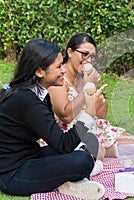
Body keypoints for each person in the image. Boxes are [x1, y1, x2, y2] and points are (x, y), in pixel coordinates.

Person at [0, 38, 105, 199]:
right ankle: (77, 180)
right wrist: (89, 112)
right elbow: (63, 145)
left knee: (87, 145)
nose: (63, 70)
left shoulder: (39, 94)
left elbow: (56, 138)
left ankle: (72, 182)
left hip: (31, 157)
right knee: (83, 160)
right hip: (12, 174)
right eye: (58, 67)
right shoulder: (26, 99)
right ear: (39, 71)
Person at [48, 33, 131, 159]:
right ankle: (97, 156)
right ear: (70, 52)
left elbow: (102, 114)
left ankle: (100, 154)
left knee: (133, 144)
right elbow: (66, 116)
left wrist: (98, 99)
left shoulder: (85, 76)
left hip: (91, 126)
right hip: (70, 133)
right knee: (96, 150)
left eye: (92, 57)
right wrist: (86, 88)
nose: (88, 60)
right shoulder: (59, 78)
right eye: (84, 54)